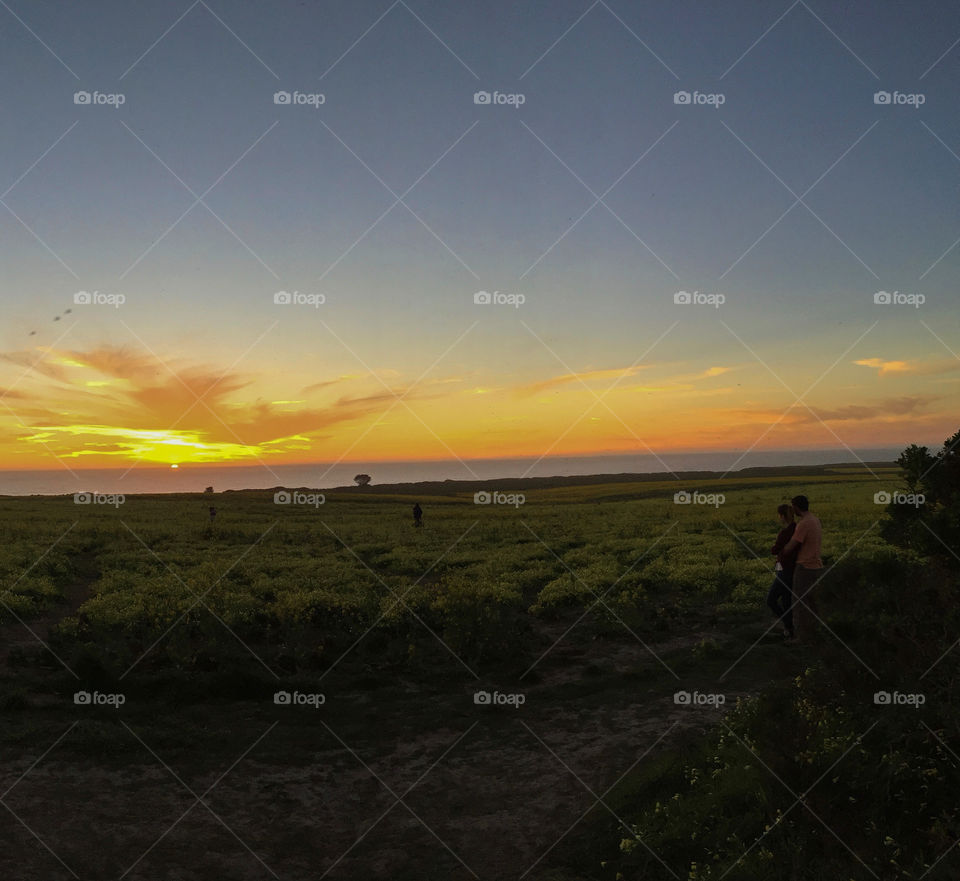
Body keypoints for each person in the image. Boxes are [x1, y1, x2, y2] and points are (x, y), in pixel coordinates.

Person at [781, 494, 823, 644]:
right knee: (812, 601)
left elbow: (791, 547)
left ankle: (802, 637)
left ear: (797, 507)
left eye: (793, 507)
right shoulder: (815, 520)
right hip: (816, 566)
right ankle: (816, 632)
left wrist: (781, 550)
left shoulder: (804, 524)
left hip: (804, 566)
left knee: (799, 602)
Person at [768, 503, 798, 639]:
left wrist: (776, 547)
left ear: (782, 516)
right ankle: (789, 630)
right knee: (786, 601)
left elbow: (774, 550)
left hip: (784, 569)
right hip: (793, 569)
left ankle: (788, 625)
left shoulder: (784, 533)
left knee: (771, 599)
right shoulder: (797, 529)